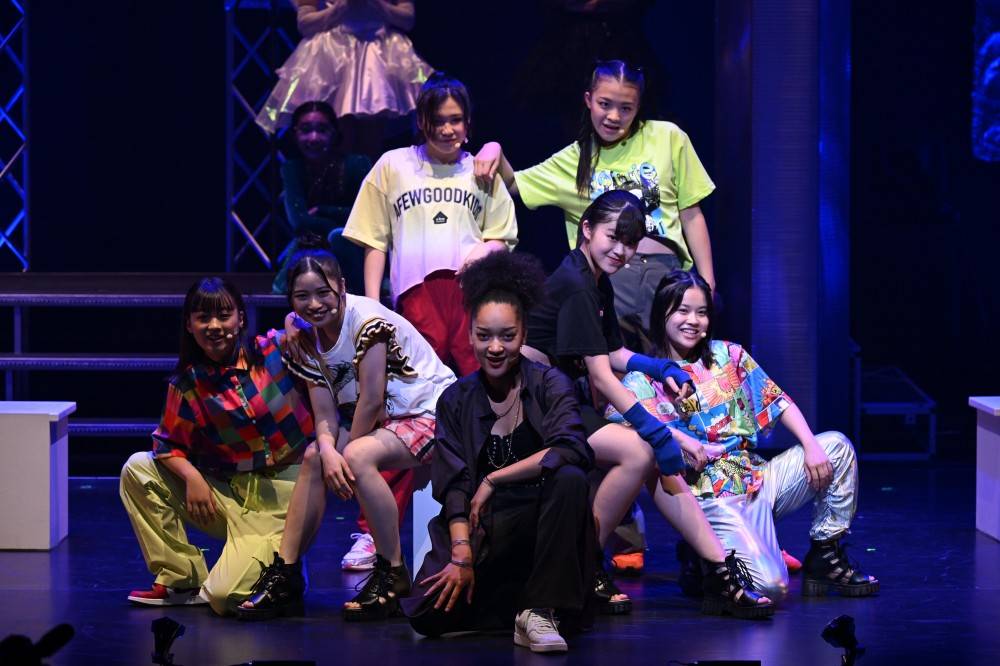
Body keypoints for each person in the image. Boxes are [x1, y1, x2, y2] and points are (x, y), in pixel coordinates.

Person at [522, 190, 773, 619]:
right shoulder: (577, 285)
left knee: (650, 454)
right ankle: (584, 565)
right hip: (537, 405)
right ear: (586, 229)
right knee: (641, 452)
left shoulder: (596, 280)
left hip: (562, 398)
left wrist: (659, 367)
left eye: (630, 242)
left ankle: (717, 569)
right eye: (613, 238)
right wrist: (656, 431)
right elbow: (602, 375)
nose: (621, 251)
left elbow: (613, 353)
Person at [606, 270, 880, 600]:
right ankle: (702, 557)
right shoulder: (641, 380)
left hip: (757, 481)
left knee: (836, 446)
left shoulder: (729, 356)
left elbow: (777, 400)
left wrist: (809, 445)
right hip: (711, 500)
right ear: (661, 313)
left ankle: (825, 556)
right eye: (682, 311)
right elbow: (620, 433)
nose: (693, 321)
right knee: (771, 587)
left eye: (702, 312)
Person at [236, 244, 456, 621]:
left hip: (431, 412)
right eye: (302, 296)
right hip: (387, 422)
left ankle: (392, 573)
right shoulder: (306, 340)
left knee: (355, 454)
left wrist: (346, 456)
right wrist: (328, 451)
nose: (314, 304)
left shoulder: (366, 321)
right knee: (314, 457)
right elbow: (324, 414)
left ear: (341, 285)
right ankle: (287, 575)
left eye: (323, 292)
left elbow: (370, 399)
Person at [403, 251, 593, 654]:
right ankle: (514, 606)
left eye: (507, 336)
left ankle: (538, 609)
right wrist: (460, 552)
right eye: (484, 335)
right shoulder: (456, 399)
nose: (495, 347)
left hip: (544, 525)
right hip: (486, 530)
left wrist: (494, 478)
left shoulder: (549, 384)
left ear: (523, 334)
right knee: (428, 616)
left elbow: (571, 447)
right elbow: (454, 486)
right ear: (470, 335)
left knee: (571, 479)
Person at [476, 59, 716, 353]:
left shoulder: (668, 137)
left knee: (672, 365)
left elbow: (690, 213)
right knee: (617, 365)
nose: (614, 116)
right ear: (589, 100)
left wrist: (707, 282)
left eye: (626, 108)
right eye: (605, 104)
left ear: (638, 107)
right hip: (612, 278)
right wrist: (494, 148)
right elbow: (514, 184)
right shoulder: (574, 159)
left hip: (664, 275)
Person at [120, 278, 315, 616]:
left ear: (240, 318)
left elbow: (318, 327)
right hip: (233, 496)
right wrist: (193, 477)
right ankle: (181, 579)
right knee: (138, 468)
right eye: (203, 318)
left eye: (224, 316)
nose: (214, 326)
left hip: (290, 495)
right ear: (189, 324)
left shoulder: (274, 351)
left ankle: (288, 567)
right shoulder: (189, 383)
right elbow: (165, 445)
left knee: (224, 598)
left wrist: (292, 320)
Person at [342, 72, 519, 377]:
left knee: (476, 378)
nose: (447, 129)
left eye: (456, 119)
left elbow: (502, 236)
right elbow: (374, 239)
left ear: (468, 122)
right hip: (415, 294)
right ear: (422, 121)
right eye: (438, 120)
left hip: (469, 292)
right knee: (420, 379)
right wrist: (373, 307)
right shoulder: (393, 165)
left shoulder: (480, 170)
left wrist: (484, 250)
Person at [256, 0, 432, 135]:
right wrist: (341, 8)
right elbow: (304, 24)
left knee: (372, 132)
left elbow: (407, 19)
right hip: (334, 53)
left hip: (379, 53)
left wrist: (377, 4)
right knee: (339, 132)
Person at [272, 101, 371, 295]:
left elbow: (366, 217)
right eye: (305, 130)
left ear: (334, 133)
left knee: (339, 238)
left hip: (354, 248)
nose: (314, 138)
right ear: (294, 134)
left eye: (322, 130)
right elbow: (299, 221)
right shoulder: (292, 169)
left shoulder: (357, 164)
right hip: (310, 245)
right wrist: (334, 226)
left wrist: (323, 211)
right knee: (287, 281)